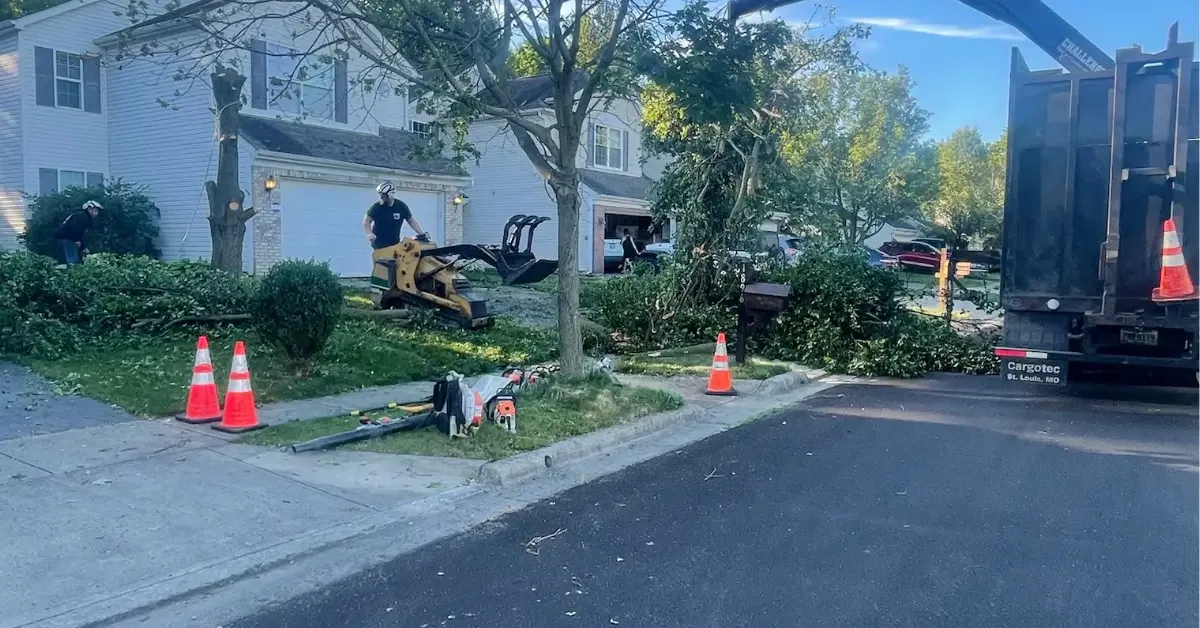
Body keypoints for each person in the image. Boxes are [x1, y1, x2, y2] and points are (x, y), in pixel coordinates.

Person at [363, 181, 426, 249]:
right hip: (378, 244)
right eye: (380, 194)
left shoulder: (401, 206)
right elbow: (367, 221)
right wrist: (369, 233)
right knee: (383, 259)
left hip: (395, 243)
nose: (381, 197)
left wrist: (421, 233)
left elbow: (411, 221)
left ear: (391, 194)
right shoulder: (376, 207)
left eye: (383, 195)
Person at [54, 200, 101, 265]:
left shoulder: (82, 216)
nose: (97, 213)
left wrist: (83, 247)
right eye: (95, 211)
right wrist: (76, 240)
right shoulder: (82, 216)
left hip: (67, 237)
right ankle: (72, 273)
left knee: (74, 258)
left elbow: (81, 234)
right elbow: (75, 228)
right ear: (89, 209)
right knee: (72, 259)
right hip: (67, 238)